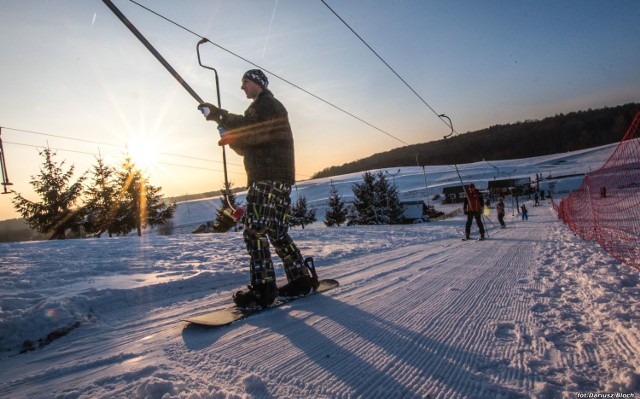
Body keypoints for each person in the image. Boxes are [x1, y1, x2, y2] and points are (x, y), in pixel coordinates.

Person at [198, 69, 317, 308]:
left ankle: (263, 289)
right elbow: (249, 144)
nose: (242, 87)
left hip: (267, 177)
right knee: (277, 232)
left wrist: (220, 115)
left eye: (246, 82)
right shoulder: (261, 109)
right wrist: (231, 138)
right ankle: (301, 280)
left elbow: (253, 132)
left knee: (254, 231)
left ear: (259, 85)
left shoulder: (267, 105)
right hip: (277, 177)